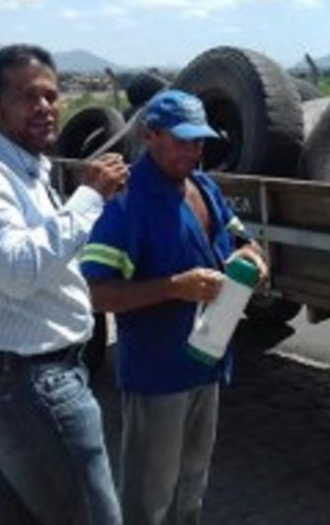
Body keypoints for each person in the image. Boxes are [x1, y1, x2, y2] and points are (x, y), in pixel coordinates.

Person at [0, 44, 129, 525]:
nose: (44, 107)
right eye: (27, 97)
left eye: (51, 95)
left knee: (14, 515)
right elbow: (18, 271)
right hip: (29, 385)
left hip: (27, 379)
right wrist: (89, 197)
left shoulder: (26, 170)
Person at [80, 89, 268, 525]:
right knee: (151, 497)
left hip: (209, 362)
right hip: (158, 376)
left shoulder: (204, 187)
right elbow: (93, 293)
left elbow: (247, 242)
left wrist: (253, 259)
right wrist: (172, 288)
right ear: (150, 136)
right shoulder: (126, 204)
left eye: (198, 141)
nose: (192, 151)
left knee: (192, 486)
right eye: (181, 141)